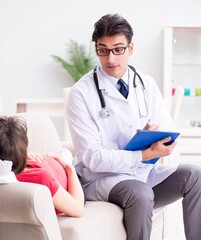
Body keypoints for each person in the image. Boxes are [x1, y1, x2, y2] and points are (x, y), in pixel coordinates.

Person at [66, 13, 201, 240]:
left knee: (195, 175)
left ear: (131, 48)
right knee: (140, 193)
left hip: (143, 174)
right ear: (96, 49)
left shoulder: (145, 84)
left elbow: (169, 132)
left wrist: (158, 139)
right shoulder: (81, 94)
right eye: (103, 50)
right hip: (102, 180)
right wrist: (143, 154)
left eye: (118, 49)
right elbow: (92, 158)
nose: (110, 59)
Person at [0, 115, 84, 217]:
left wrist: (21, 154)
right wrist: (69, 168)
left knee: (64, 152)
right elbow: (78, 209)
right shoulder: (41, 178)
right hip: (71, 179)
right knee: (67, 154)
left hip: (48, 162)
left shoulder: (9, 167)